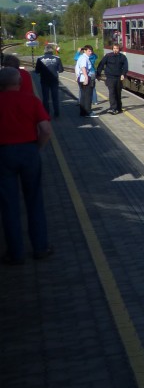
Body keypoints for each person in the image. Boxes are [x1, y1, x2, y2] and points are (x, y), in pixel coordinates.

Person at [0, 66, 52, 264]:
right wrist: (37, 148)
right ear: (19, 82)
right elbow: (46, 130)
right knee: (34, 201)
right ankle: (40, 248)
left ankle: (16, 253)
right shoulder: (31, 100)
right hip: (29, 152)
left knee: (9, 204)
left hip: (3, 154)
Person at [95, 42, 129, 114]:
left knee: (118, 93)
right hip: (110, 77)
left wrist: (123, 74)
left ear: (119, 49)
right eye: (114, 48)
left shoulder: (123, 57)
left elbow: (125, 67)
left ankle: (119, 108)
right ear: (112, 49)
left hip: (119, 78)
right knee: (112, 92)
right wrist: (98, 74)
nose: (115, 50)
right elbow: (101, 64)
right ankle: (113, 108)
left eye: (117, 48)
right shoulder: (108, 56)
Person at [34, 44, 64, 117]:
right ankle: (56, 113)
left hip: (44, 80)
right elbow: (61, 70)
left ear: (44, 50)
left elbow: (37, 71)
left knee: (45, 98)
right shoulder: (57, 58)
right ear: (52, 50)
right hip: (54, 80)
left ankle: (46, 113)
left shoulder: (40, 59)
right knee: (55, 97)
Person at [75, 45, 98, 118]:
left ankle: (83, 112)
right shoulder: (84, 58)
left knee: (83, 96)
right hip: (85, 78)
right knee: (88, 96)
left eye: (91, 51)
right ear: (85, 51)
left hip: (81, 78)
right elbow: (83, 67)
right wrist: (86, 77)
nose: (90, 52)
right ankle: (88, 112)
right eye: (89, 51)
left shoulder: (82, 57)